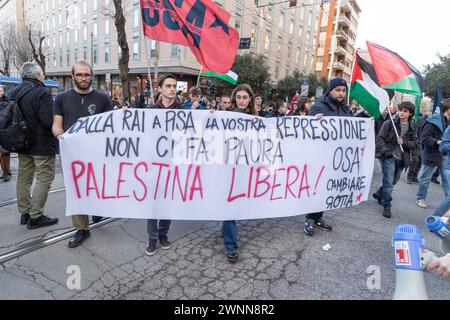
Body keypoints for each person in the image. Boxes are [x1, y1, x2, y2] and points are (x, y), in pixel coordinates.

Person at [53, 60, 113, 248]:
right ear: (72, 77)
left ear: (92, 76)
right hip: (72, 153)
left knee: (97, 185)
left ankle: (96, 208)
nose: (83, 77)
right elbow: (56, 122)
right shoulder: (62, 98)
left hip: (96, 153)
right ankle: (81, 228)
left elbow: (112, 123)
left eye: (87, 74)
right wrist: (59, 134)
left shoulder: (103, 98)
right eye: (79, 74)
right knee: (75, 190)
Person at [10, 62, 59, 229]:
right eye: (42, 73)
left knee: (24, 177)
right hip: (41, 145)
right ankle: (36, 215)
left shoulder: (14, 91)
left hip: (22, 142)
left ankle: (24, 212)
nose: (44, 76)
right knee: (44, 177)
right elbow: (47, 121)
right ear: (37, 75)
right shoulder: (41, 93)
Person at [303, 77, 352, 236]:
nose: (341, 93)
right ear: (330, 90)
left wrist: (365, 122)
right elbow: (307, 129)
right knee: (317, 188)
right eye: (338, 90)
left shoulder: (345, 108)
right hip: (319, 156)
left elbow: (351, 128)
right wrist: (314, 121)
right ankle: (309, 219)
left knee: (327, 189)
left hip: (336, 158)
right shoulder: (319, 106)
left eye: (343, 91)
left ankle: (318, 217)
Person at [145, 74, 181, 256]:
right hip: (153, 164)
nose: (172, 89)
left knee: (167, 202)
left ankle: (163, 234)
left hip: (173, 165)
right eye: (168, 86)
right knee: (153, 204)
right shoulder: (149, 111)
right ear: (160, 89)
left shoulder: (183, 111)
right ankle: (152, 238)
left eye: (175, 86)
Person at [223, 84, 258, 263]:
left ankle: (226, 231)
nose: (242, 100)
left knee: (236, 207)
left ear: (250, 99)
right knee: (230, 208)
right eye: (239, 97)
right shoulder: (225, 117)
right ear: (234, 98)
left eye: (245, 97)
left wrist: (315, 120)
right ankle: (231, 246)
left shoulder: (260, 119)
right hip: (228, 169)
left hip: (247, 170)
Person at [373, 102, 418, 218]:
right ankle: (387, 205)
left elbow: (415, 144)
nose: (402, 113)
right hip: (389, 157)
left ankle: (379, 193)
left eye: (405, 111)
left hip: (402, 159)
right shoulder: (389, 123)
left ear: (411, 113)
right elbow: (380, 139)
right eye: (400, 110)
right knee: (388, 182)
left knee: (393, 181)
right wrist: (386, 152)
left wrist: (405, 142)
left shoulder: (412, 126)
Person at [415, 101, 450, 209]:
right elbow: (424, 138)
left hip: (444, 155)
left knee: (446, 179)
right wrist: (437, 142)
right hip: (432, 154)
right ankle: (420, 198)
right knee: (426, 178)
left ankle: (448, 201)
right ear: (447, 109)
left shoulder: (448, 123)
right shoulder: (433, 121)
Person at [0, 86, 11, 182]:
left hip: (4, 132)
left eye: (0, 90)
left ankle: (6, 172)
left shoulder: (7, 102)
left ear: (3, 92)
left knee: (4, 153)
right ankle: (5, 171)